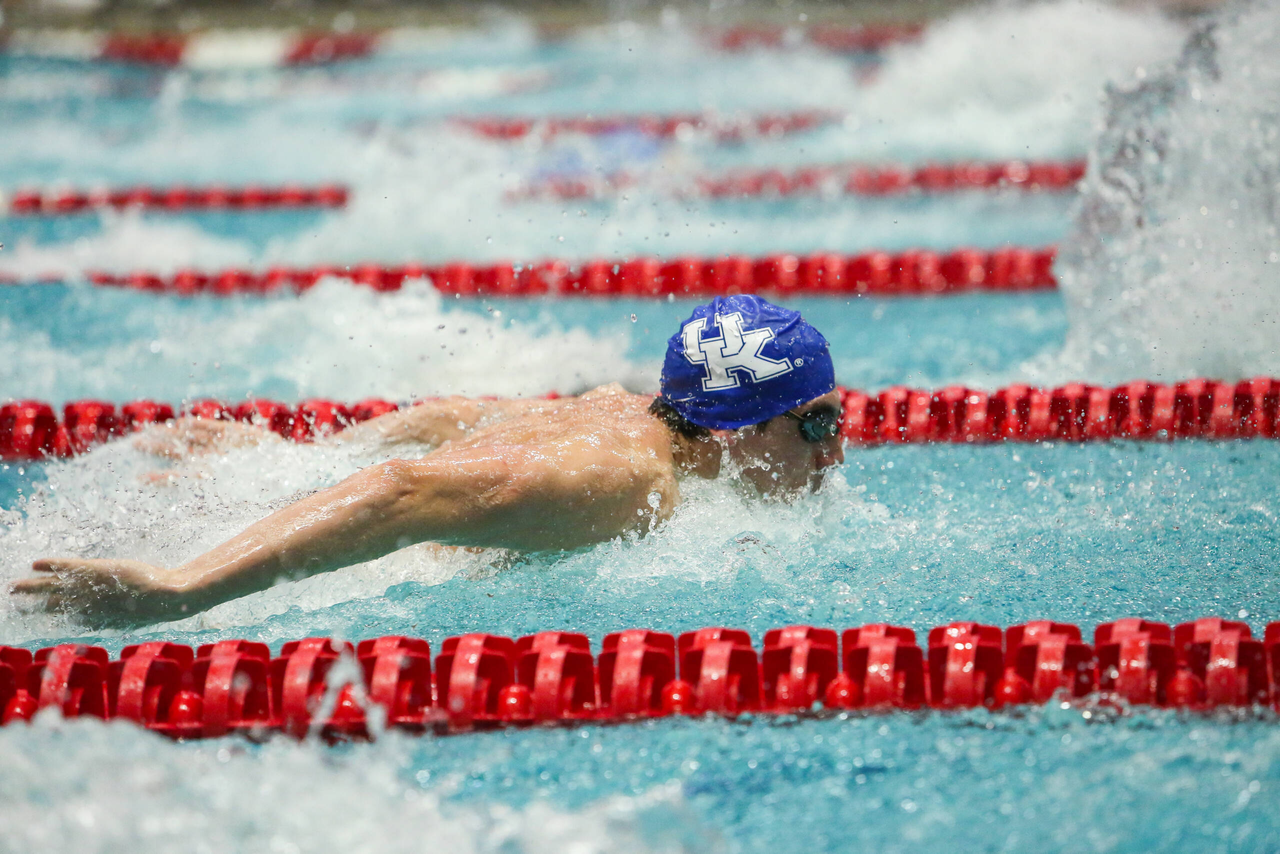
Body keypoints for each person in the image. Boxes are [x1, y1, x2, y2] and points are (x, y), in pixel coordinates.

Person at [11, 295, 844, 625]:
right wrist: (180, 591)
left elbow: (455, 417)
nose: (836, 452)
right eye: (815, 426)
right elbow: (401, 492)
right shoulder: (623, 483)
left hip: (277, 495)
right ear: (739, 428)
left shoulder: (625, 413)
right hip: (275, 552)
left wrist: (286, 456)